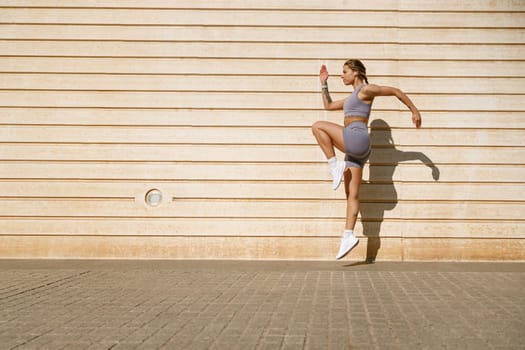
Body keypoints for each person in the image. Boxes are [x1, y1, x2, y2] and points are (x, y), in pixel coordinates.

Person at [311, 59, 422, 260]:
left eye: (344, 72)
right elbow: (328, 105)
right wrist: (323, 83)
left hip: (357, 139)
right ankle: (348, 235)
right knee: (351, 195)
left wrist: (414, 111)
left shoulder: (366, 90)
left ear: (355, 72)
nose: (341, 75)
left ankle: (334, 164)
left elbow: (396, 91)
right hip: (357, 151)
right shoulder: (351, 97)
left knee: (318, 126)